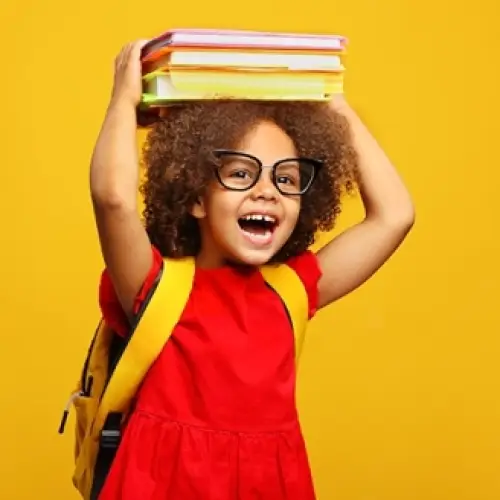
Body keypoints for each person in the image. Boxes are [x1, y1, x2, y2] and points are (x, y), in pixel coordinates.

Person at [90, 40, 415, 500]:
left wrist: (329, 101)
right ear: (196, 198)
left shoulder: (292, 289)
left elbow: (395, 215)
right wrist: (122, 100)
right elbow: (113, 200)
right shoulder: (155, 284)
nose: (267, 191)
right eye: (241, 174)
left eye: (285, 178)